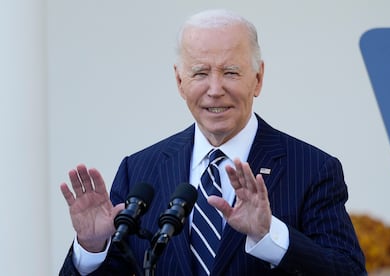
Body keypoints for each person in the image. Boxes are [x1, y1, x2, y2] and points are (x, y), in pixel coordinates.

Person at [59, 9, 366, 276]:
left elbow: (348, 270)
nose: (215, 89)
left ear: (258, 78)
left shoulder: (312, 169)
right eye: (200, 73)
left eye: (231, 72)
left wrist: (269, 234)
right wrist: (91, 246)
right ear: (180, 81)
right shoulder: (140, 170)